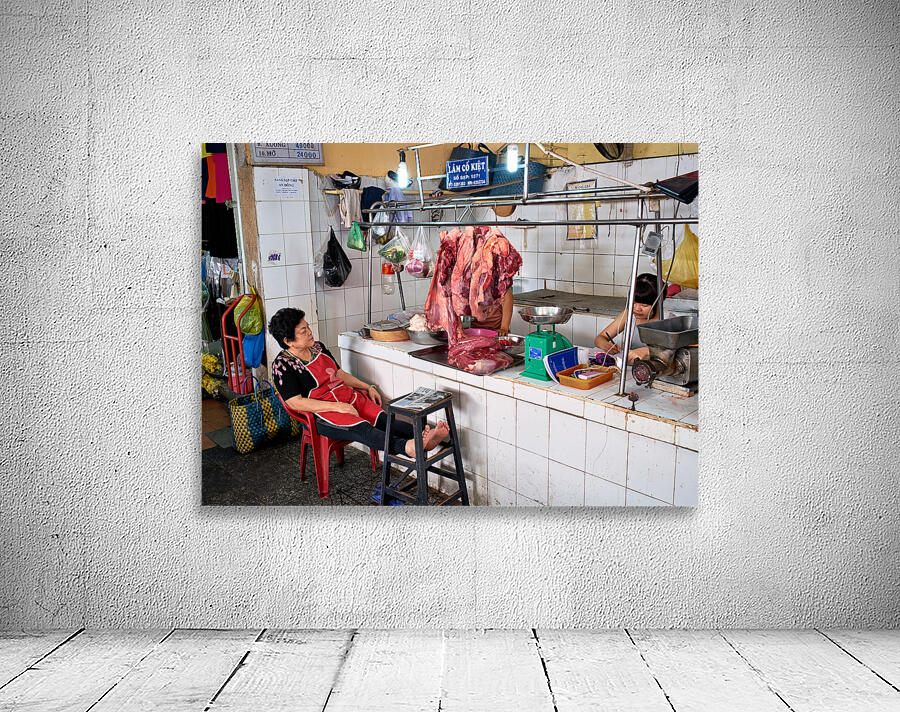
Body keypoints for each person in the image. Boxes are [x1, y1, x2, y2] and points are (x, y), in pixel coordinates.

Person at [268, 308, 449, 458]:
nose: (309, 332)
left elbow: (338, 373)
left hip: (346, 397)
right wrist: (338, 408)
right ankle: (409, 447)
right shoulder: (282, 365)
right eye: (303, 331)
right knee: (362, 428)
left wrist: (366, 386)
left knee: (383, 419)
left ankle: (426, 437)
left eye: (308, 327)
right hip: (323, 413)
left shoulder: (318, 347)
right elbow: (295, 402)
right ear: (288, 341)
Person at [594, 273, 660, 363]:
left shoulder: (669, 320)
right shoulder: (628, 315)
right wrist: (606, 345)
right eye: (633, 302)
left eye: (644, 305)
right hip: (630, 369)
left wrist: (648, 351)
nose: (637, 309)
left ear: (658, 303)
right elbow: (600, 338)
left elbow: (681, 351)